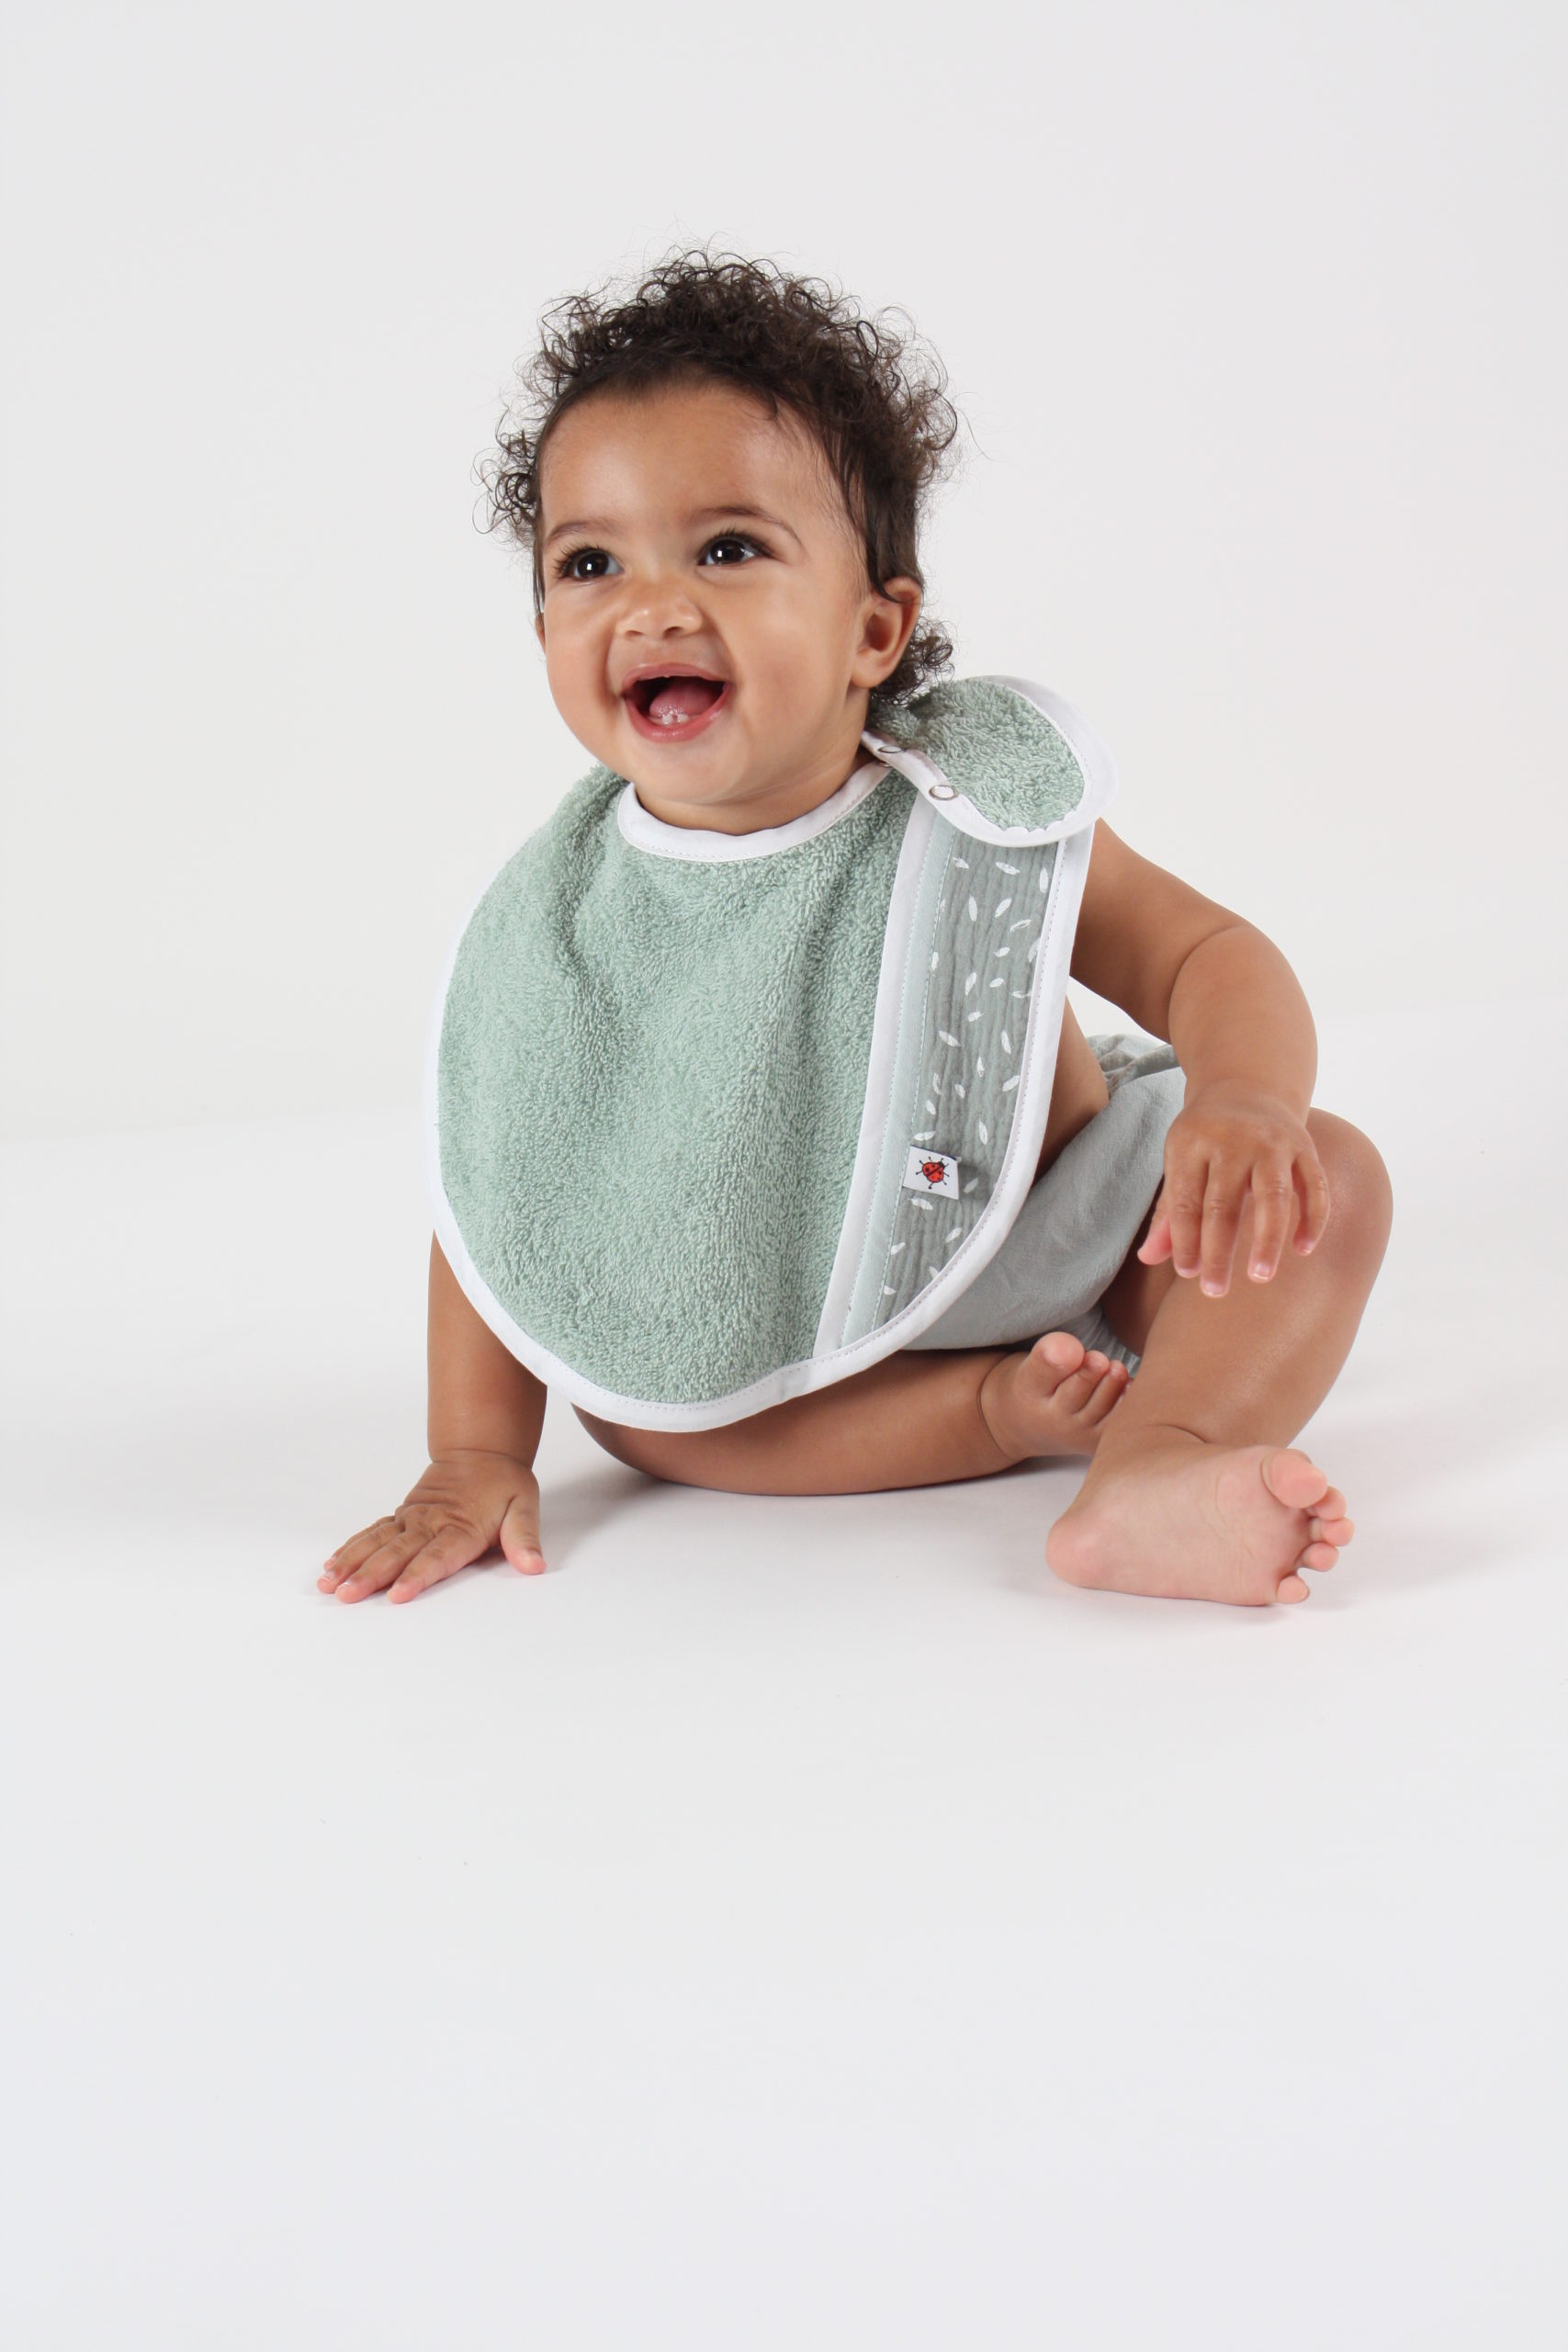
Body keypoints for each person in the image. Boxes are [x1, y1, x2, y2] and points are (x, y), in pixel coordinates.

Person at [321, 248, 1392, 1611]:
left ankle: (1161, 1459)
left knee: (1332, 1181)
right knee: (641, 1421)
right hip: (794, 1301)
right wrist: (470, 1456)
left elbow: (1204, 955)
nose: (653, 604)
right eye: (590, 563)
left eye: (728, 549)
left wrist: (1244, 1103)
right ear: (542, 628)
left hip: (1085, 1224)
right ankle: (988, 1414)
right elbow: (509, 1194)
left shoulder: (969, 807)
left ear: (876, 629)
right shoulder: (561, 922)